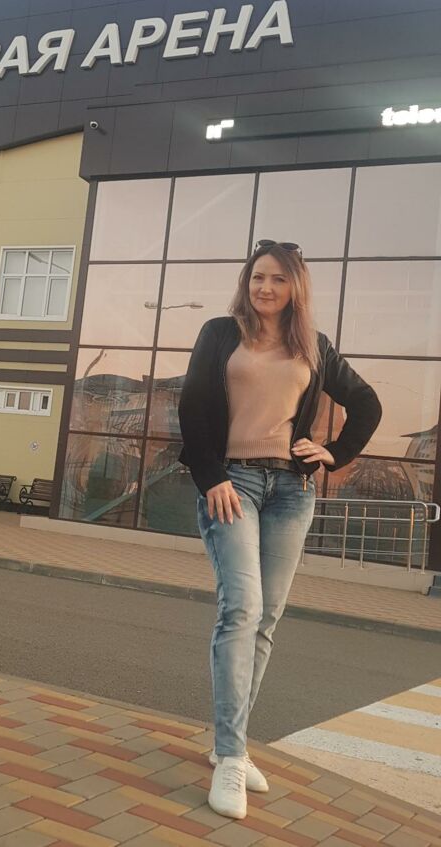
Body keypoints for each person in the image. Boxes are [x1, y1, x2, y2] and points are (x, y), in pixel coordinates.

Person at [177, 240, 382, 820]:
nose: (265, 287)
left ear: (296, 288)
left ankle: (233, 745)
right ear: (247, 282)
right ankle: (229, 754)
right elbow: (192, 407)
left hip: (292, 490)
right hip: (232, 485)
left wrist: (334, 453)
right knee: (241, 608)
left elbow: (366, 404)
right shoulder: (220, 333)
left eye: (278, 279)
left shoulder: (313, 346)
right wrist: (211, 476)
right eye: (257, 277)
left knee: (266, 619)